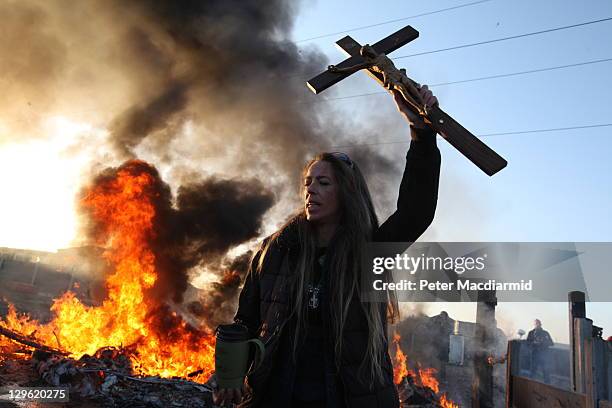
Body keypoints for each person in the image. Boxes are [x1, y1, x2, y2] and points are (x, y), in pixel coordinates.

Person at [213, 86, 441, 408]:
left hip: (348, 397)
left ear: (346, 192)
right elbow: (246, 320)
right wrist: (231, 374)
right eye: (307, 183)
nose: (311, 191)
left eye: (323, 183)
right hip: (279, 394)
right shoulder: (274, 251)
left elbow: (415, 212)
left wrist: (421, 133)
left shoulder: (369, 253)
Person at [527, 319, 554, 383]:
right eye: (536, 324)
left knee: (546, 371)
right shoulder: (531, 333)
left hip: (544, 355)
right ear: (534, 325)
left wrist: (543, 342)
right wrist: (534, 343)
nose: (537, 325)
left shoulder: (545, 333)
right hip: (534, 355)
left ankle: (548, 386)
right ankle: (530, 384)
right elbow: (527, 343)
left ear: (540, 324)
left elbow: (551, 343)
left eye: (538, 323)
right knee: (532, 372)